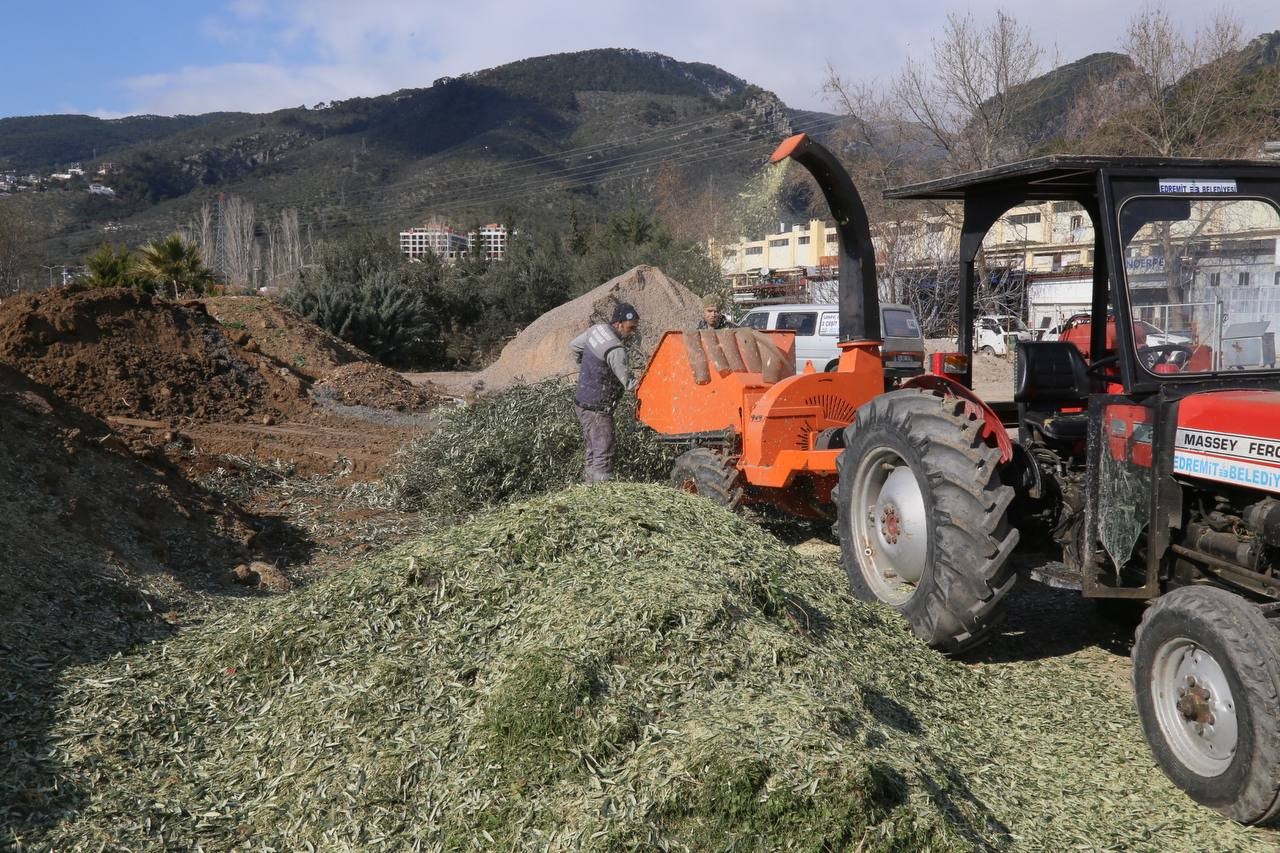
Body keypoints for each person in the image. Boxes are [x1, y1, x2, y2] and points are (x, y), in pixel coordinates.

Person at [570, 302, 640, 482]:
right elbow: (630, 384)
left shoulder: (597, 330)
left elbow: (575, 346)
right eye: (630, 328)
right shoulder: (616, 349)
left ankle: (587, 490)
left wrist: (591, 363)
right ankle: (602, 495)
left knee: (592, 450)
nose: (632, 333)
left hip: (581, 402)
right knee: (603, 452)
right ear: (618, 323)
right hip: (598, 408)